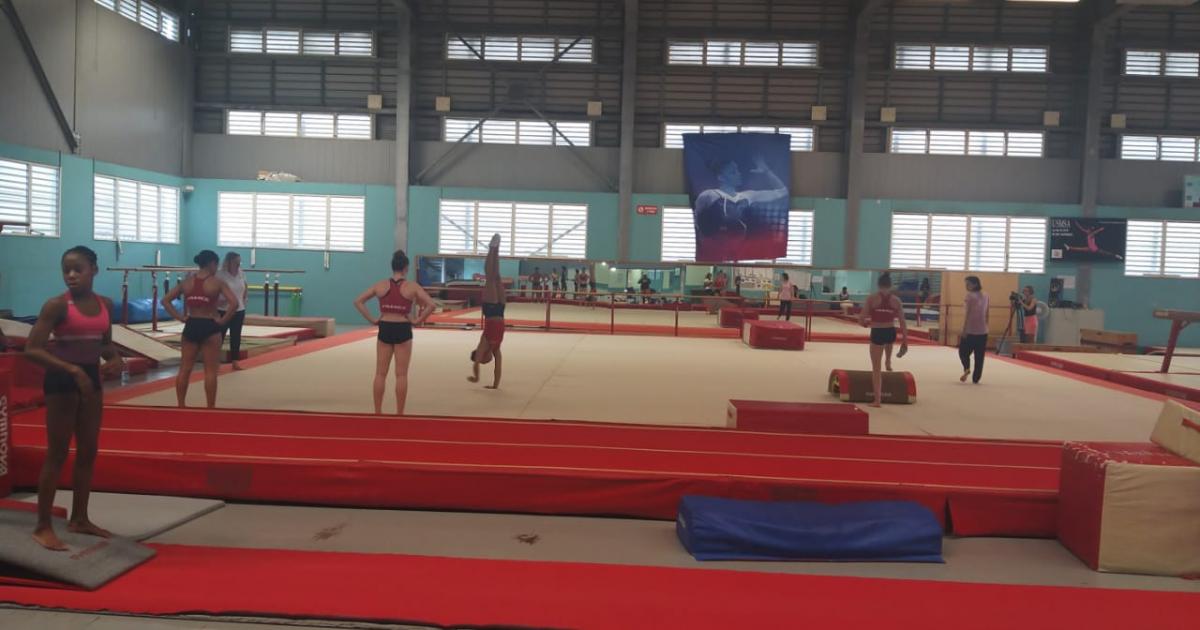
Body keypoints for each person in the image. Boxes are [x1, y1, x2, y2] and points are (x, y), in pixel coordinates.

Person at [24, 246, 123, 550]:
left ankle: (79, 518)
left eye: (77, 269)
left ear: (94, 269)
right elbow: (33, 349)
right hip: (62, 379)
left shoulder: (105, 304)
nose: (70, 275)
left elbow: (103, 344)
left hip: (90, 378)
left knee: (88, 451)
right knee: (57, 453)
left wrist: (115, 358)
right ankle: (42, 526)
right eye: (66, 269)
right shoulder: (56, 306)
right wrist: (71, 370)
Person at [354, 249, 436, 415]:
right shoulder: (412, 287)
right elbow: (431, 305)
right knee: (401, 375)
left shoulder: (381, 285)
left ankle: (378, 412)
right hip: (402, 328)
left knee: (380, 373)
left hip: (385, 327)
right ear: (406, 268)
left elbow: (358, 301)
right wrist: (417, 321)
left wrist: (372, 320)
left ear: (393, 267)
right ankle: (399, 413)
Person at [162, 250, 238, 409]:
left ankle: (181, 405)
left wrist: (180, 317)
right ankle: (210, 407)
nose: (216, 268)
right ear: (211, 263)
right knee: (210, 371)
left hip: (192, 325)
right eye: (216, 265)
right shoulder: (217, 283)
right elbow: (234, 303)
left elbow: (165, 300)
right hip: (210, 325)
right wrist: (223, 321)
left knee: (185, 369)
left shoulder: (187, 282)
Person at [692, 157, 789, 261]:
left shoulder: (748, 196)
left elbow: (782, 191)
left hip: (738, 250)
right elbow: (697, 221)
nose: (739, 173)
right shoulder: (708, 195)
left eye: (737, 170)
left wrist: (766, 171)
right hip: (715, 249)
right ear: (721, 177)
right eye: (733, 172)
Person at [859, 272, 908, 408]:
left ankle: (877, 400)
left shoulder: (872, 298)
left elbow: (861, 318)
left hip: (877, 332)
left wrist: (865, 323)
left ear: (878, 284)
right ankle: (888, 360)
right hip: (890, 331)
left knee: (876, 368)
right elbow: (903, 322)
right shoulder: (896, 300)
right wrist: (905, 341)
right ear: (890, 285)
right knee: (888, 342)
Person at [469, 234, 505, 389]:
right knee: (496, 277)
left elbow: (476, 364)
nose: (488, 361)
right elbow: (498, 368)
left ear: (480, 356)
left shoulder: (484, 344)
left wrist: (476, 377)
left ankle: (491, 249)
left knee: (489, 278)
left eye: (485, 361)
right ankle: (496, 249)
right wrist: (495, 386)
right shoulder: (496, 349)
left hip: (490, 310)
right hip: (500, 310)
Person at [216, 252, 248, 371]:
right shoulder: (220, 275)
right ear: (229, 262)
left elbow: (245, 287)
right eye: (236, 262)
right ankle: (215, 361)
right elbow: (214, 290)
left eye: (239, 262)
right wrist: (218, 302)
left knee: (236, 336)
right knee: (220, 336)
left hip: (239, 309)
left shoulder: (241, 273)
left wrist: (244, 300)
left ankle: (235, 361)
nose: (238, 264)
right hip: (223, 309)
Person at [959, 276, 991, 384]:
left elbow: (967, 314)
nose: (966, 286)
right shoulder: (986, 295)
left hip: (971, 330)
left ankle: (967, 368)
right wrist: (987, 325)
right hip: (983, 331)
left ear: (975, 284)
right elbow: (987, 312)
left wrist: (964, 329)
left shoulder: (969, 296)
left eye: (968, 284)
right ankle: (976, 378)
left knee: (963, 352)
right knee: (979, 356)